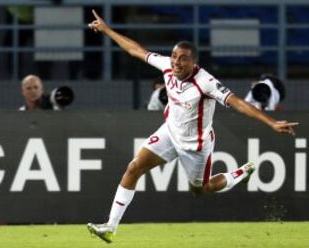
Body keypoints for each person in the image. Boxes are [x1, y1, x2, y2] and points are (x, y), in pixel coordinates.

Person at [86, 10, 298, 243]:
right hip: (169, 132)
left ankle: (240, 173)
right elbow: (137, 50)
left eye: (183, 58)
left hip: (195, 146)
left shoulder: (205, 82)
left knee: (201, 190)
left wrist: (271, 122)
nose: (176, 61)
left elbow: (237, 102)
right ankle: (110, 226)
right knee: (134, 167)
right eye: (175, 56)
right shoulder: (167, 66)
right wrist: (106, 30)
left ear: (193, 62)